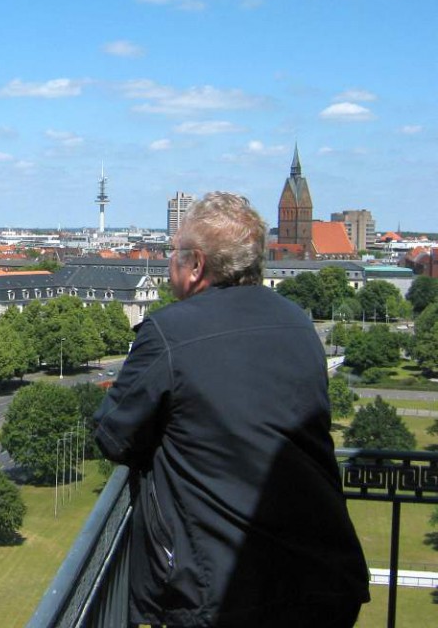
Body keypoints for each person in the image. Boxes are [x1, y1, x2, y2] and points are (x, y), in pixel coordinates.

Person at [93, 192, 368, 627]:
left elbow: (112, 435)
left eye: (173, 255)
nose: (169, 266)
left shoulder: (169, 332)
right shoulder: (299, 324)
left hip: (225, 590)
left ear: (196, 265)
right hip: (324, 579)